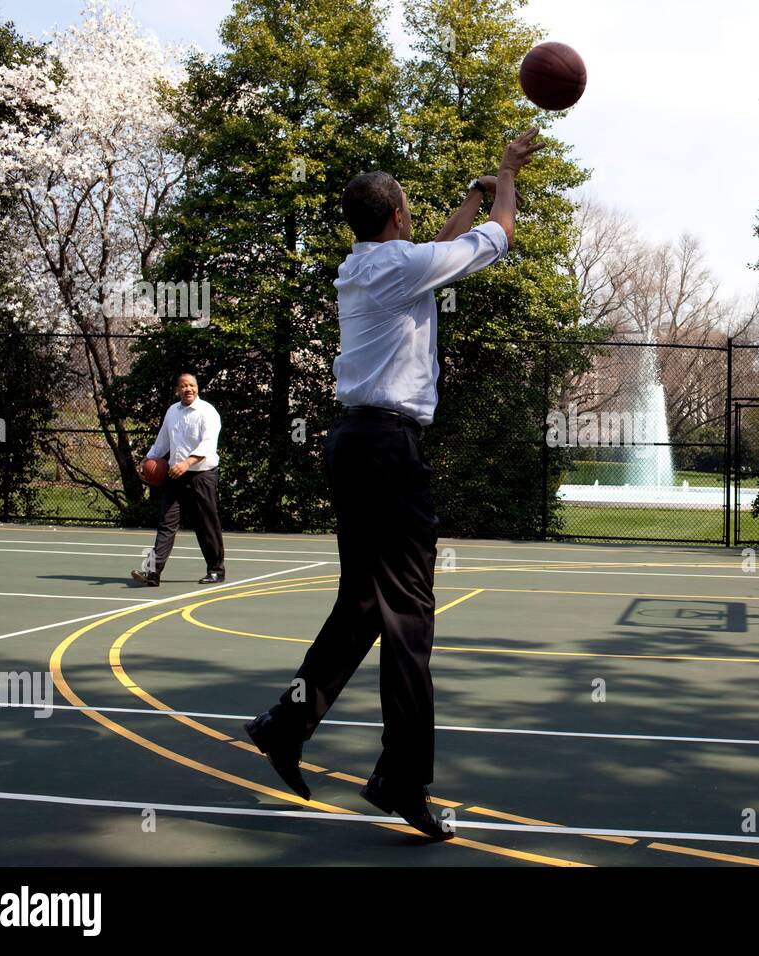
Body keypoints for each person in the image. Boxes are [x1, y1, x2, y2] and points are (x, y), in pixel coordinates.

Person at [245, 129, 545, 840]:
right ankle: (400, 778)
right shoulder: (398, 269)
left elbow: (440, 249)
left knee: (362, 607)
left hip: (354, 444)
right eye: (412, 211)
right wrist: (504, 176)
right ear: (399, 219)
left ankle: (284, 725)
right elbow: (500, 237)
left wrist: (467, 200)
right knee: (409, 618)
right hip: (386, 449)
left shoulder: (372, 266)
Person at [131, 372, 226, 587]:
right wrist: (147, 461)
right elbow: (162, 442)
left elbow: (208, 445)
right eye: (183, 386)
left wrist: (187, 463)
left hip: (202, 475)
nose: (188, 389)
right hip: (175, 475)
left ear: (197, 388)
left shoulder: (207, 412)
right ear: (178, 390)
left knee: (205, 524)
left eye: (191, 385)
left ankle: (216, 570)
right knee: (166, 523)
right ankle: (152, 573)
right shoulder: (172, 412)